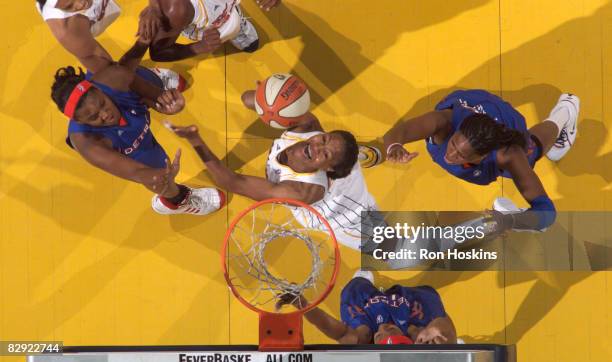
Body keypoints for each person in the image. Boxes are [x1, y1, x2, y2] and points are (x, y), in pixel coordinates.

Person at [165, 87, 385, 251]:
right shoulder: (307, 127)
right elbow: (248, 98)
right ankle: (365, 155)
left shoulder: (300, 191)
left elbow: (232, 182)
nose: (316, 145)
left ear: (327, 169)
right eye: (324, 139)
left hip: (349, 215)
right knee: (347, 155)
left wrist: (195, 140)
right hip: (341, 173)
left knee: (398, 251)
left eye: (325, 153)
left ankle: (365, 157)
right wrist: (269, 96)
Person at [50, 33, 224, 216]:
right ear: (80, 121)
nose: (105, 114)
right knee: (158, 178)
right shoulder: (88, 144)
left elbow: (155, 97)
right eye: (94, 117)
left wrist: (168, 105)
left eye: (102, 103)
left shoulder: (114, 78)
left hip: (125, 86)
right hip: (127, 143)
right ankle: (177, 201)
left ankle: (154, 76)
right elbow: (136, 172)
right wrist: (156, 176)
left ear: (97, 88)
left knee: (136, 76)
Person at [382, 89, 580, 233]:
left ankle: (565, 111)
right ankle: (566, 111)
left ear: (483, 156)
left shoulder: (507, 154)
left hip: (503, 119)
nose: (450, 155)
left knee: (533, 149)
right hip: (472, 101)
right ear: (456, 130)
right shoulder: (443, 123)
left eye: (461, 155)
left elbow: (547, 213)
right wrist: (394, 147)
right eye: (453, 145)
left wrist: (514, 221)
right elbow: (400, 132)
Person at [279, 270, 457, 345]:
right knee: (434, 310)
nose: (385, 327)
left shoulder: (363, 336)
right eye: (392, 330)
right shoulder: (415, 334)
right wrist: (436, 329)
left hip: (369, 302)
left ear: (377, 338)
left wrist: (300, 303)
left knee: (355, 286)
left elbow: (327, 325)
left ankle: (363, 278)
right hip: (406, 301)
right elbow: (445, 326)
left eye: (382, 333)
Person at [36, 0, 184, 89]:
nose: (81, 3)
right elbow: (112, 73)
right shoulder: (69, 31)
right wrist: (143, 42)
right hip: (86, 24)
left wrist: (154, 7)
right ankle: (142, 77)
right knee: (109, 75)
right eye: (69, 5)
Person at [144, 0, 282, 62]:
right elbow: (158, 52)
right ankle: (228, 20)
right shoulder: (176, 8)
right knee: (217, 20)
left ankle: (232, 15)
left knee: (228, 16)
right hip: (200, 23)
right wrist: (198, 47)